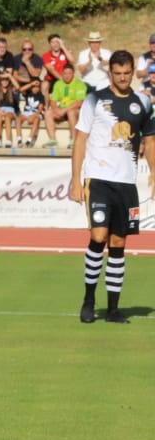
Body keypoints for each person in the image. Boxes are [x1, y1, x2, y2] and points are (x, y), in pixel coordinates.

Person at [70, 50, 154, 324]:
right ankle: (88, 300)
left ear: (132, 72)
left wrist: (154, 173)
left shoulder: (143, 102)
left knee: (118, 243)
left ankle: (113, 308)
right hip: (99, 179)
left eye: (126, 73)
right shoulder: (95, 98)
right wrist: (75, 178)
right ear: (111, 73)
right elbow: (80, 139)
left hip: (126, 183)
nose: (121, 77)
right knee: (99, 236)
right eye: (117, 73)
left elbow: (150, 142)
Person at [44, 63, 87, 145]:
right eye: (65, 73)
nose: (67, 76)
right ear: (62, 74)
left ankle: (74, 140)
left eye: (69, 73)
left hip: (75, 111)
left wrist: (63, 110)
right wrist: (56, 109)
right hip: (62, 110)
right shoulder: (58, 84)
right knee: (48, 113)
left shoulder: (79, 84)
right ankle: (53, 140)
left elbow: (79, 102)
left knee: (70, 112)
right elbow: (53, 101)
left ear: (73, 74)